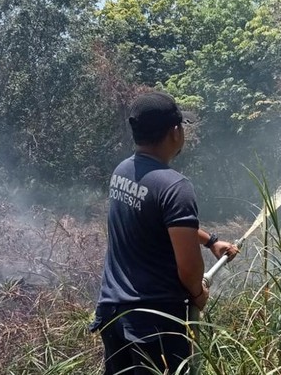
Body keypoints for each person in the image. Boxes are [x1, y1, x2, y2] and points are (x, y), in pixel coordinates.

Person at [90, 91, 239, 374]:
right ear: (174, 131)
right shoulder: (175, 186)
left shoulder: (122, 171)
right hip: (154, 324)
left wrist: (212, 241)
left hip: (115, 316)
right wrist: (198, 293)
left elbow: (157, 220)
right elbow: (189, 266)